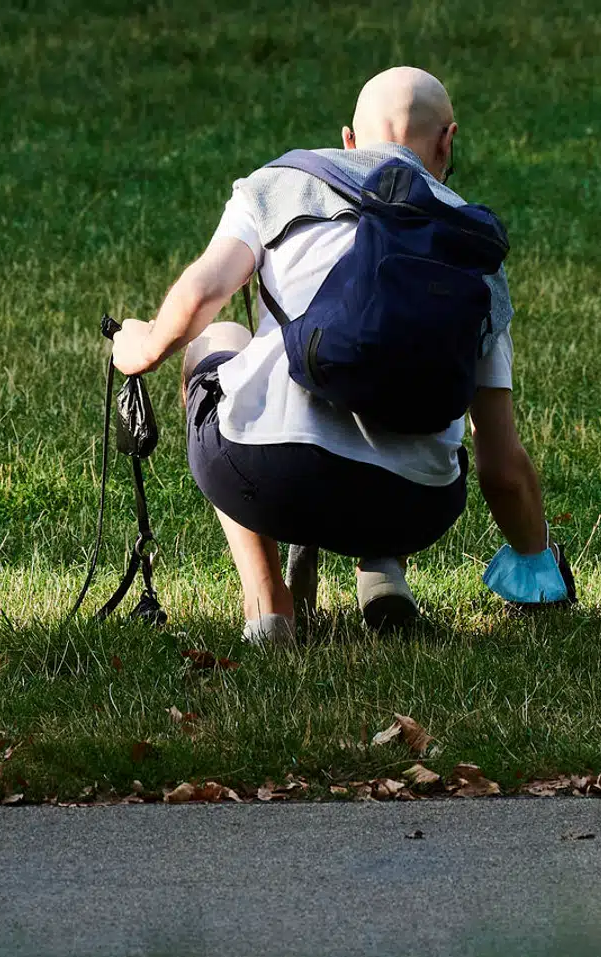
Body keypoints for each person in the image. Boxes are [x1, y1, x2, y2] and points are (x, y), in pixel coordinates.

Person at [109, 66, 568, 644]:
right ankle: (382, 573)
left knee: (219, 339)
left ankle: (269, 606)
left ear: (350, 140)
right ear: (449, 141)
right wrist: (536, 565)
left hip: (269, 474)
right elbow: (501, 465)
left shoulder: (279, 184)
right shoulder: (474, 251)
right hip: (415, 503)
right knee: (401, 381)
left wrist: (142, 346)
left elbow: (202, 295)